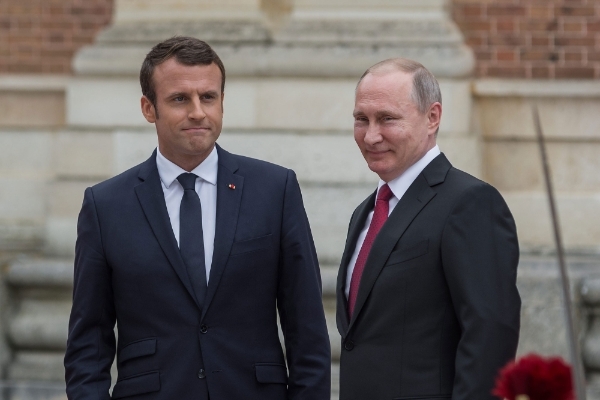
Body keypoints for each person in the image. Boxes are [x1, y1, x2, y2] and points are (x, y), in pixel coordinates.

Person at [64, 36, 331, 400]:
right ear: (148, 108)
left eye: (209, 97)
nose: (198, 112)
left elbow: (307, 328)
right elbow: (88, 344)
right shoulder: (106, 205)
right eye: (179, 99)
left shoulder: (274, 189)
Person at [336, 58, 520, 400]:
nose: (371, 135)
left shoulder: (470, 203)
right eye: (362, 119)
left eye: (387, 119)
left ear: (432, 117)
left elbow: (490, 335)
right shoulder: (366, 212)